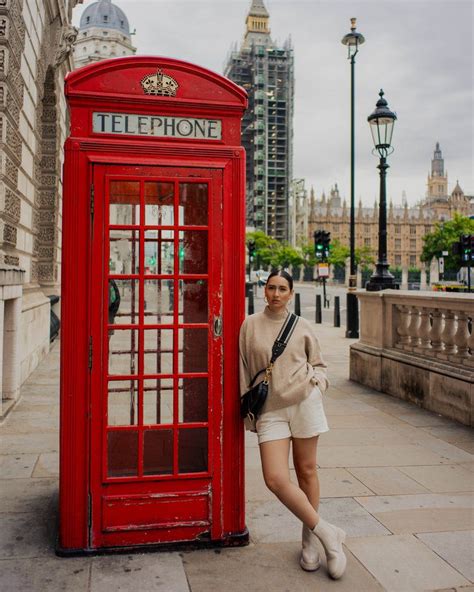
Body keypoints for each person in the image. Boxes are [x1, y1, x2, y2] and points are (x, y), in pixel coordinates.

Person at [239, 270, 347, 580]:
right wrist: (249, 414)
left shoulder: (302, 327)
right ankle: (328, 532)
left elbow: (322, 365)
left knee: (307, 471)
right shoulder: (249, 326)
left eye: (282, 289)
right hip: (270, 411)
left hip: (304, 404)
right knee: (275, 478)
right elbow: (243, 372)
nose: (275, 293)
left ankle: (309, 543)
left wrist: (318, 384)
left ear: (291, 293)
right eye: (271, 287)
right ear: (264, 291)